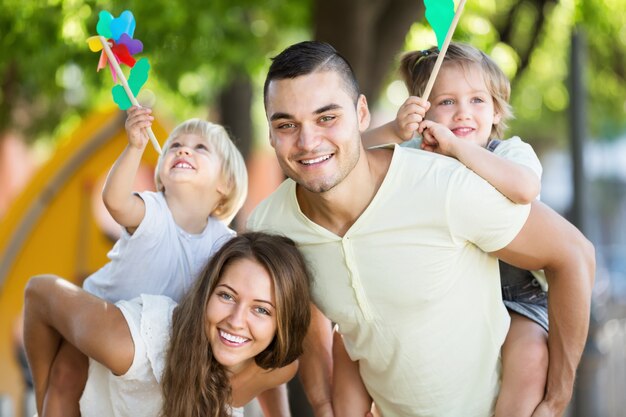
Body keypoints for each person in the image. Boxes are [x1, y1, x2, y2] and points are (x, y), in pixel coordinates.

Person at [247, 41, 595, 417]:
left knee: (528, 349)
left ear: (361, 113)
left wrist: (557, 399)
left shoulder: (445, 183)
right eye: (286, 125)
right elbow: (305, 304)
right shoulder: (269, 226)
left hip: (516, 318)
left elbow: (573, 253)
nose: (308, 141)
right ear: (269, 132)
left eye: (327, 118)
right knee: (346, 343)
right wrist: (321, 400)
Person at [343, 42, 550, 416]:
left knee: (531, 354)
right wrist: (392, 129)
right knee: (353, 342)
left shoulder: (509, 152)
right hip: (445, 298)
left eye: (477, 100)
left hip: (515, 293)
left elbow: (524, 189)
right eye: (447, 102)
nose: (463, 113)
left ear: (497, 110)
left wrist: (456, 147)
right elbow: (350, 160)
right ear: (423, 110)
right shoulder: (416, 155)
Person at [40, 107, 248, 417]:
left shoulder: (225, 244)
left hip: (147, 343)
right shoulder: (153, 211)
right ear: (162, 173)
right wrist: (135, 147)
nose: (183, 149)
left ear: (226, 184)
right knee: (64, 380)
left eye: (200, 147)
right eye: (174, 146)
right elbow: (115, 201)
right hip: (97, 314)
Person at [23, 232, 312, 417]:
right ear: (206, 293)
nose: (236, 321)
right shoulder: (131, 347)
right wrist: (48, 394)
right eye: (226, 295)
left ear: (282, 324)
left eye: (261, 310)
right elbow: (38, 292)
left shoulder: (277, 366)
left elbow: (278, 373)